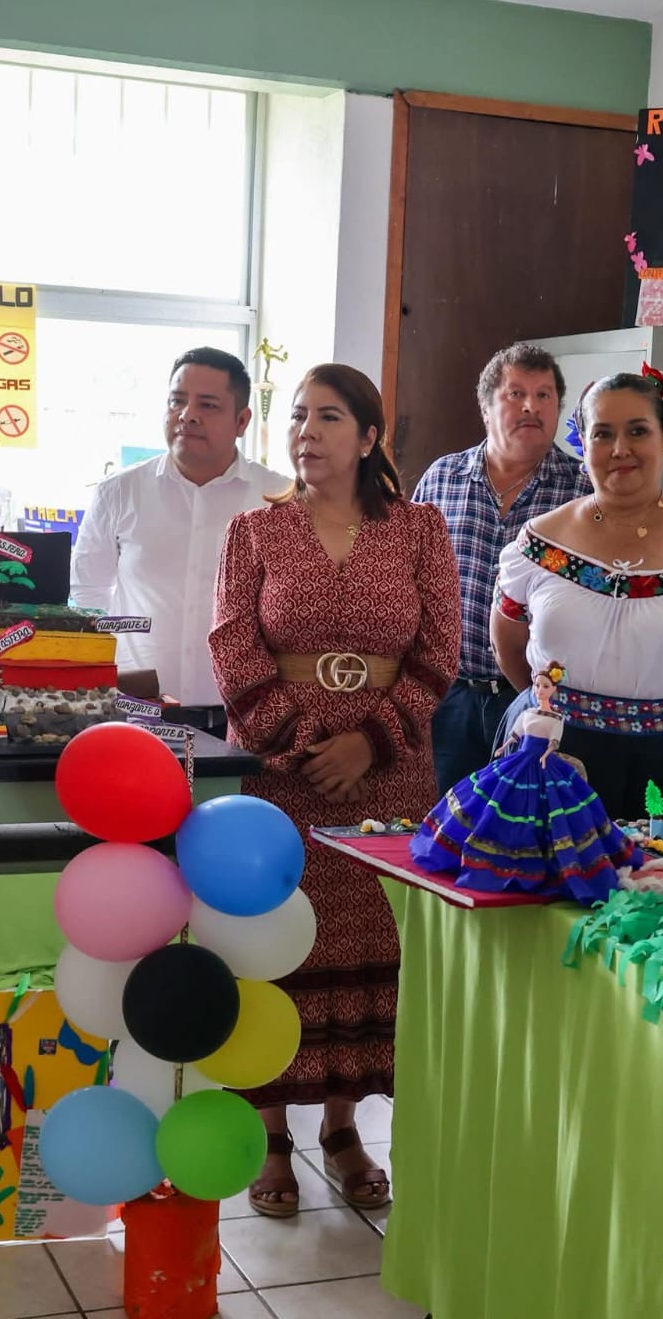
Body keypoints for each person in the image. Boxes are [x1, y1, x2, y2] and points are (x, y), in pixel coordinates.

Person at [209, 363, 461, 1217]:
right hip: (280, 781)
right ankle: (272, 1134)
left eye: (327, 417)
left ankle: (343, 1128)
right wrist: (306, 745)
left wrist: (369, 743)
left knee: (372, 947)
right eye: (297, 417)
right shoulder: (254, 531)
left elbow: (441, 652)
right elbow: (232, 647)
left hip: (390, 776)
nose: (306, 433)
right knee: (277, 945)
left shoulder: (420, 530)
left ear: (369, 436)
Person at [490, 369, 663, 820]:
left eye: (637, 431)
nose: (620, 449)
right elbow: (507, 642)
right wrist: (553, 707)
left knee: (658, 868)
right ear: (583, 445)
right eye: (602, 434)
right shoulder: (540, 541)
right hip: (551, 755)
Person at [72, 348, 291, 735]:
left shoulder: (279, 499)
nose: (187, 415)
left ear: (242, 421)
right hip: (138, 716)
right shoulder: (119, 492)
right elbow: (88, 595)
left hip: (244, 721)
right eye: (177, 401)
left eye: (208, 405)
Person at [413, 343, 591, 796]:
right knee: (444, 821)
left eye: (544, 395)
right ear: (486, 406)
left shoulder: (583, 491)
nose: (531, 406)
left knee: (527, 821)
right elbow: (405, 583)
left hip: (539, 702)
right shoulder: (442, 479)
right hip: (448, 698)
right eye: (516, 394)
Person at [409, 660, 638, 904]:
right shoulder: (528, 712)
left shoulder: (556, 717)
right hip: (519, 759)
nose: (540, 690)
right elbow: (515, 734)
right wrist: (504, 747)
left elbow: (554, 742)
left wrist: (547, 756)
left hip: (543, 764)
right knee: (494, 798)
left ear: (554, 689)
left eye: (545, 686)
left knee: (549, 810)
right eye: (537, 685)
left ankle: (540, 867)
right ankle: (488, 861)